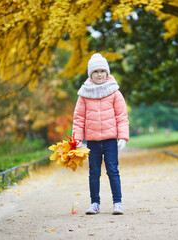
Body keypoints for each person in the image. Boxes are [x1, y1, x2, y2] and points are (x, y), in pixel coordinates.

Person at [72, 53, 129, 215]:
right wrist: (77, 138)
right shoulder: (84, 93)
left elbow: (122, 116)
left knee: (112, 170)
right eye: (95, 71)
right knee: (94, 172)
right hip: (93, 142)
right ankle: (95, 203)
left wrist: (123, 137)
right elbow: (79, 118)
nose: (99, 74)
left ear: (107, 73)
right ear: (91, 74)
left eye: (102, 71)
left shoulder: (114, 92)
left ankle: (117, 203)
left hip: (110, 140)